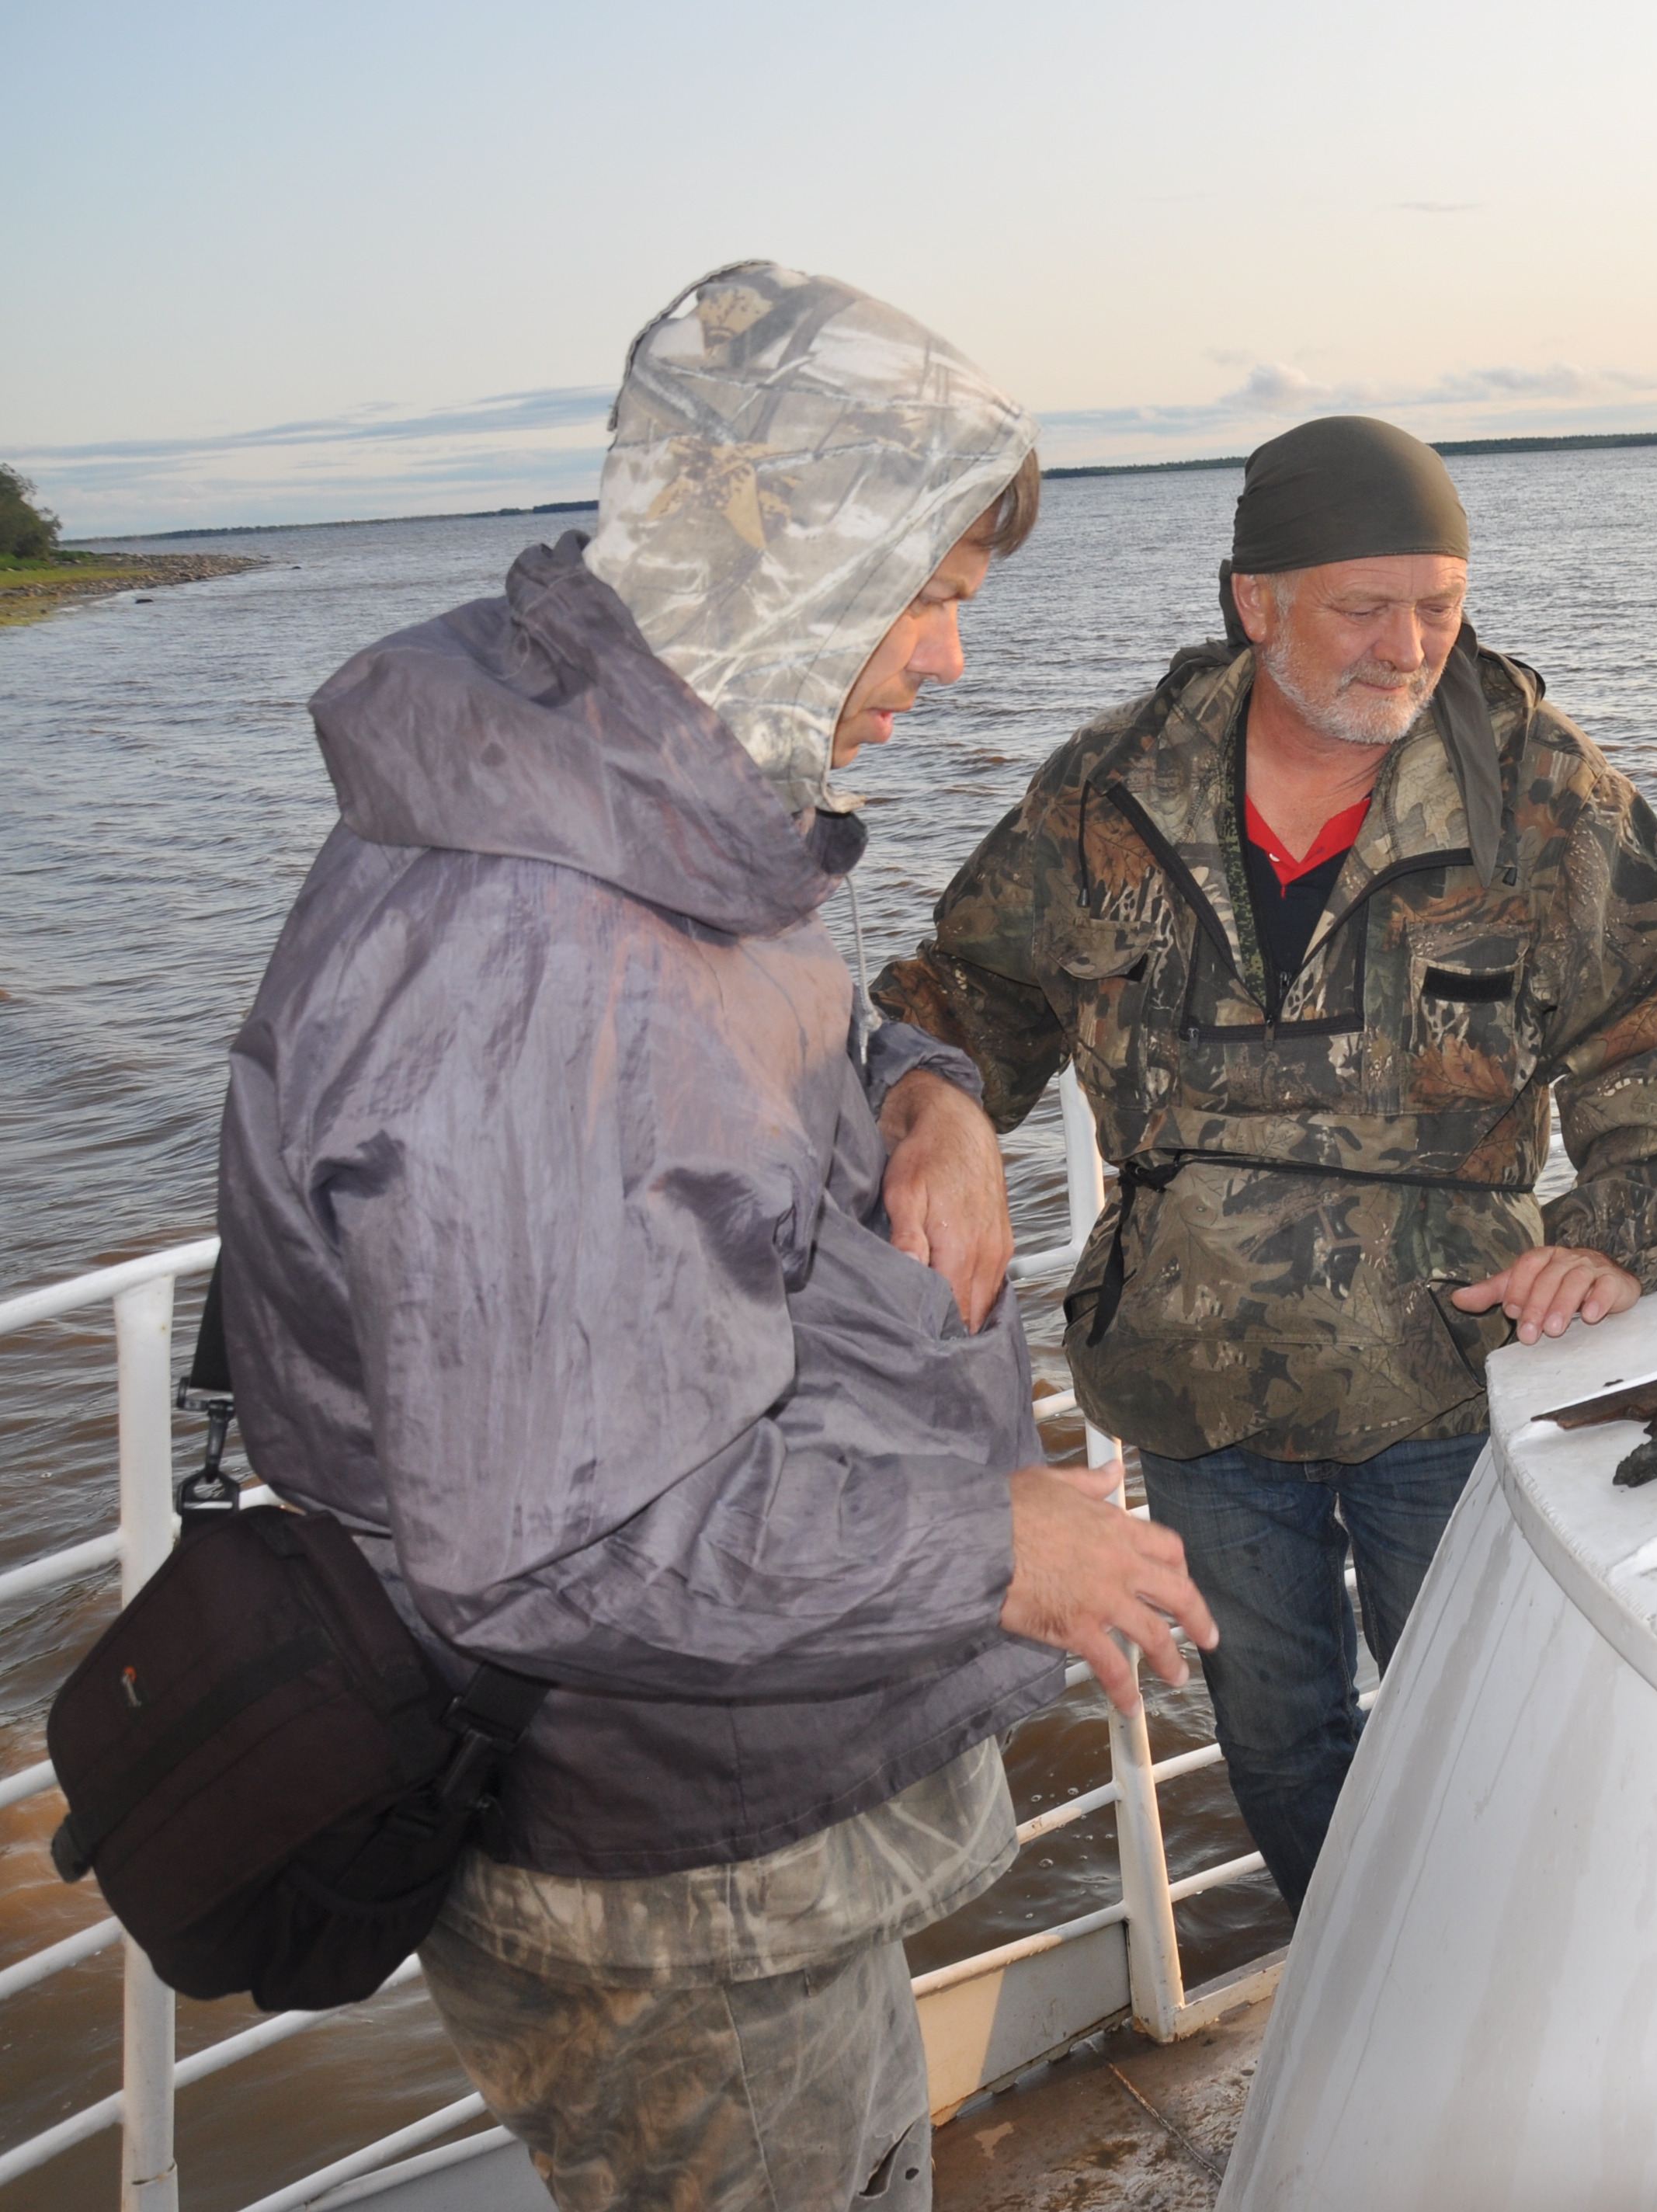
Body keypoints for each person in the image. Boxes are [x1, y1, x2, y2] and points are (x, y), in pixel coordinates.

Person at [213, 263, 1214, 2211]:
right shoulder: (539, 962)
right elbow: (563, 1533)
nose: (944, 661)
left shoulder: (656, 811)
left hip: (733, 1771)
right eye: (925, 597)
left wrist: (928, 1094)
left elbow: (807, 1037)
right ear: (792, 568)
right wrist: (999, 1538)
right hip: (646, 1847)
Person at [875, 415, 1657, 1908]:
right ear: (1253, 601)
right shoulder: (1108, 799)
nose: (1409, 646)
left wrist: (1621, 1230)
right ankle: (1355, 2000)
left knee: (1499, 1737)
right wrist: (937, 1104)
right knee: (1279, 1746)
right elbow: (963, 996)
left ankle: (1493, 2023)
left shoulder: (1544, 800)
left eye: (1441, 604)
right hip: (1199, 1388)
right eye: (1365, 606)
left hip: (1449, 1377)